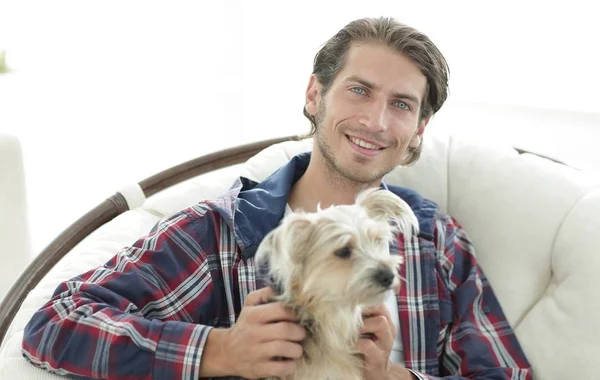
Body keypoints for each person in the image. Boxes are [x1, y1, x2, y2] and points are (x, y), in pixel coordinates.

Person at [22, 16, 532, 380]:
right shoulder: (219, 232)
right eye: (359, 90)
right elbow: (55, 323)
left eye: (401, 104)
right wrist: (220, 350)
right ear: (315, 95)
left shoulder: (434, 239)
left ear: (419, 129)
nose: (376, 122)